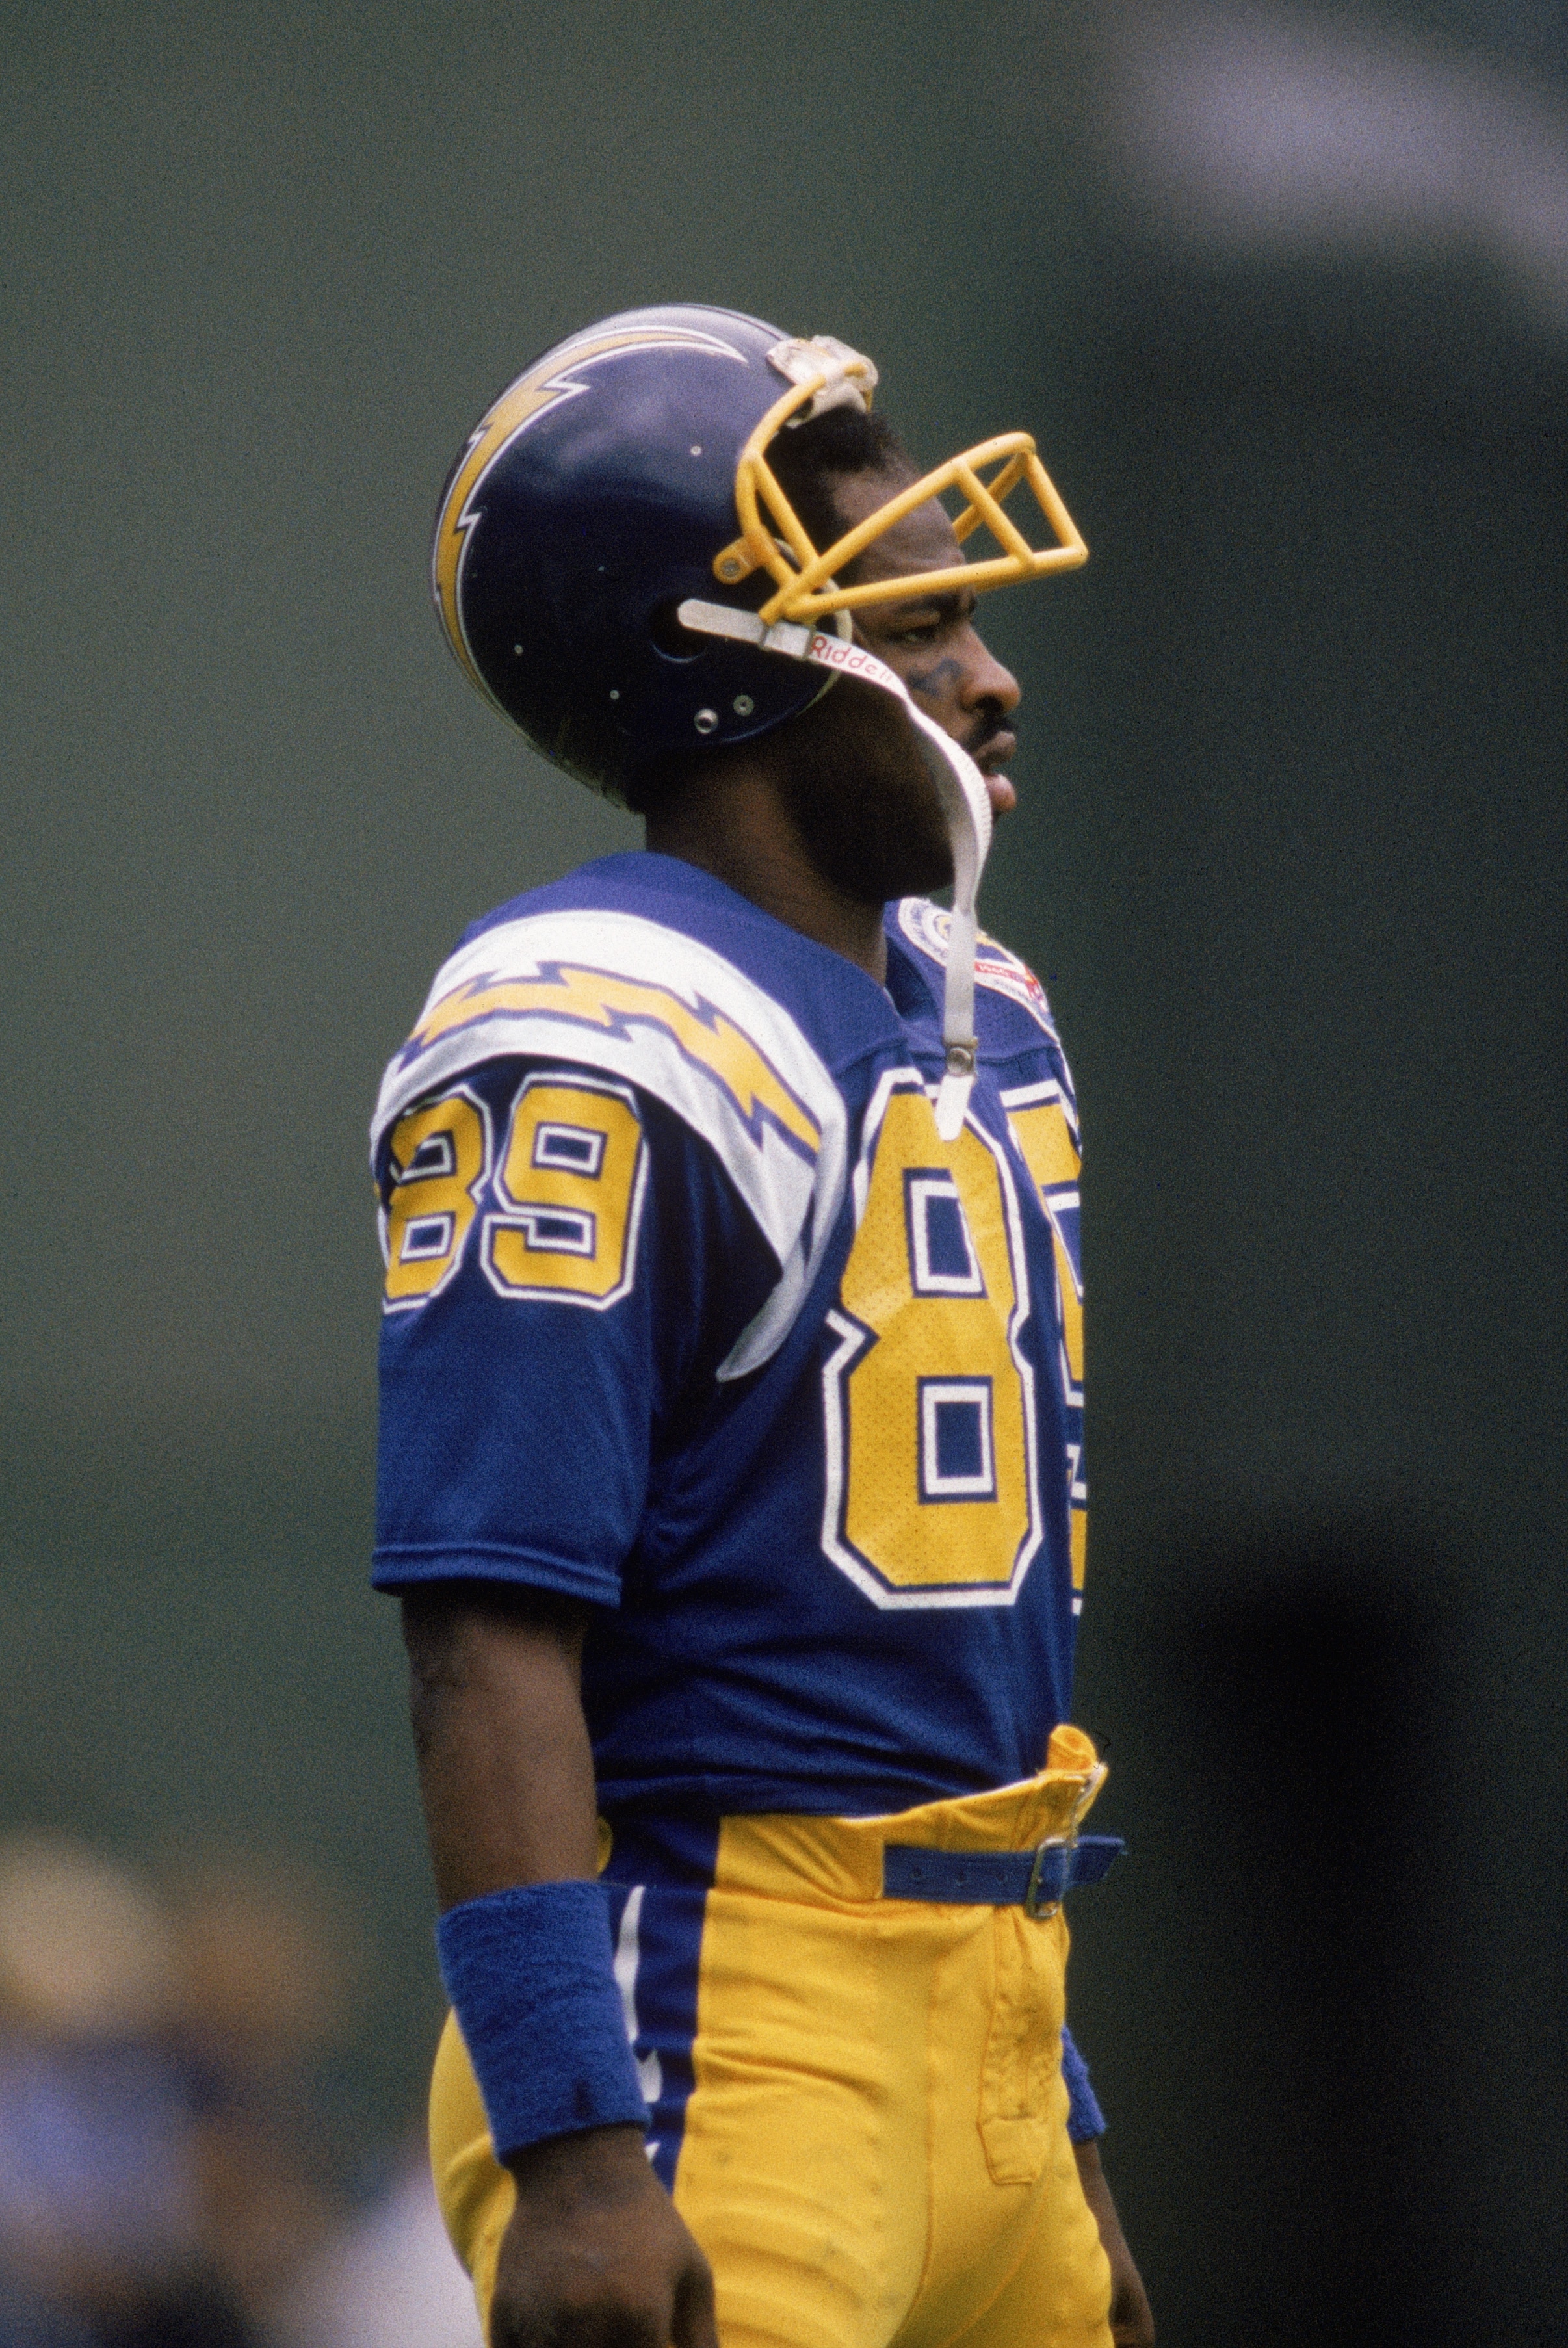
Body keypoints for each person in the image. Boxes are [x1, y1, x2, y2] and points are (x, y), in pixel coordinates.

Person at [372, 304, 1155, 2348]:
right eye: (910, 628)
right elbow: (487, 1629)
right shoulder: (591, 1014)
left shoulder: (985, 1015)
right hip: (725, 2006)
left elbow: (961, 1665)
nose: (988, 675)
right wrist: (571, 2145)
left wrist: (1049, 2113)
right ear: (722, 667)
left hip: (986, 1990)